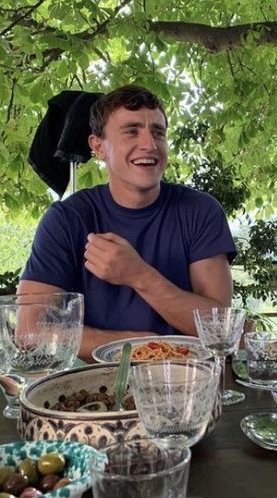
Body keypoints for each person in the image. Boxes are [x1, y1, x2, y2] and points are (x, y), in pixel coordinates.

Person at [18, 85, 236, 360]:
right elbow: (29, 330)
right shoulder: (66, 219)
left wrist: (138, 275)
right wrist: (137, 346)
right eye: (131, 131)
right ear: (98, 147)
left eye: (158, 132)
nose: (150, 144)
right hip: (96, 386)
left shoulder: (200, 211)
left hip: (187, 380)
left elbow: (221, 331)